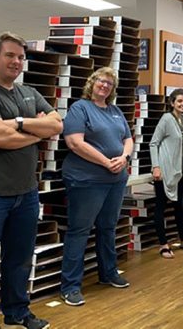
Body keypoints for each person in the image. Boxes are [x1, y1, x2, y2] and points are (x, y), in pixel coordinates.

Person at [0, 32, 62, 329]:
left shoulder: (30, 92)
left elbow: (57, 124)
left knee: (19, 261)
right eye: (10, 55)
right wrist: (38, 132)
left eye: (21, 57)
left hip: (26, 194)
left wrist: (20, 124)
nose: (16, 61)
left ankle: (17, 312)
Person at [60, 67, 133, 306]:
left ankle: (108, 273)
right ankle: (70, 286)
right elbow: (74, 142)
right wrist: (105, 162)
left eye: (109, 84)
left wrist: (124, 158)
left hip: (115, 179)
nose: (105, 86)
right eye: (101, 81)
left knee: (108, 227)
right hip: (86, 180)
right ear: (92, 83)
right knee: (79, 230)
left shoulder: (115, 110)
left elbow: (128, 139)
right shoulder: (79, 108)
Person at [150, 88, 183, 259]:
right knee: (160, 206)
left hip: (180, 170)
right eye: (180, 101)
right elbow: (154, 143)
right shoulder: (166, 119)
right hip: (165, 170)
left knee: (179, 206)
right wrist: (156, 166)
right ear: (172, 103)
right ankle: (163, 244)